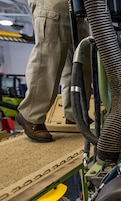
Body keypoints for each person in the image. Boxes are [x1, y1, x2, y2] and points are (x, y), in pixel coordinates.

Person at [17, 0, 91, 142]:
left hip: (79, 6)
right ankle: (31, 114)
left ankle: (75, 113)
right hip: (53, 3)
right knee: (49, 56)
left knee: (82, 58)